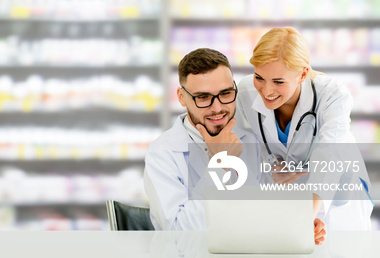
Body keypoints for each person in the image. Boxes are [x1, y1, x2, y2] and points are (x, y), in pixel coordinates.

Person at [235, 27, 373, 232]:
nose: (266, 90)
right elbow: (240, 144)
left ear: (303, 74)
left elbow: (331, 154)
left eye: (278, 82)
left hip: (338, 194)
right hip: (286, 193)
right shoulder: (245, 92)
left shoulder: (332, 95)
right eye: (259, 77)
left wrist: (306, 218)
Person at [143, 48, 261, 229]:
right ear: (182, 98)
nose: (217, 108)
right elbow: (179, 231)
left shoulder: (251, 141)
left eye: (226, 93)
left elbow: (264, 216)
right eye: (203, 97)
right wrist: (219, 164)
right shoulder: (162, 153)